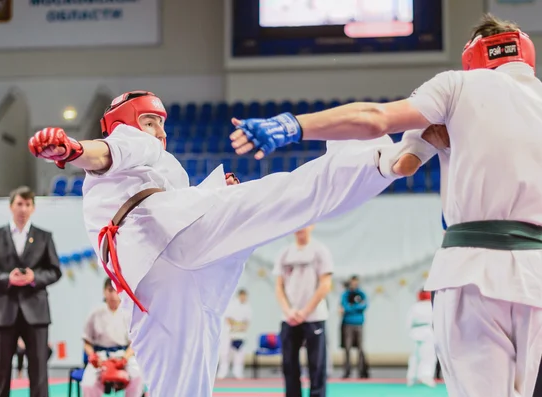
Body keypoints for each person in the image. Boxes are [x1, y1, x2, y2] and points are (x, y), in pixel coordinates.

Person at [230, 13, 542, 397]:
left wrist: (294, 124)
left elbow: (377, 122)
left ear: (474, 54)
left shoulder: (458, 86)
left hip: (472, 269)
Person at [27, 90, 406, 396]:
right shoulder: (129, 143)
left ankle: (373, 161)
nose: (158, 131)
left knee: (181, 390)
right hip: (159, 248)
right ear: (124, 124)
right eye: (149, 121)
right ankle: (373, 160)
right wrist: (72, 150)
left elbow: (180, 204)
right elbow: (105, 153)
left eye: (161, 123)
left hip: (160, 277)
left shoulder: (162, 167)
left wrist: (213, 194)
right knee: (283, 198)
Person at [0, 186, 62, 397]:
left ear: (33, 208)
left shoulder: (44, 237)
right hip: (4, 311)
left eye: (27, 204)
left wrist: (35, 278)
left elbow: (55, 271)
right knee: (1, 369)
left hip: (37, 313)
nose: (23, 208)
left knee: (39, 370)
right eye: (19, 204)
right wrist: (7, 278)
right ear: (10, 206)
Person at [274, 226, 333, 397]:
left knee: (317, 365)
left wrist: (305, 312)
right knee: (289, 366)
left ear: (312, 226)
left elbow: (325, 284)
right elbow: (279, 286)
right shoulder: (285, 253)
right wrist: (288, 311)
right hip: (289, 318)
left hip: (314, 317)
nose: (301, 228)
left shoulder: (320, 251)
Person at [81, 278, 145, 397]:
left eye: (116, 290)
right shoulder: (95, 313)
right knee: (88, 384)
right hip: (101, 357)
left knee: (137, 375)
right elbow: (87, 341)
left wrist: (125, 358)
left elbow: (133, 343)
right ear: (104, 292)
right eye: (110, 290)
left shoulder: (128, 312)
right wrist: (92, 356)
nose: (113, 295)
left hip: (122, 355)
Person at [217, 288, 253, 379]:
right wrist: (234, 327)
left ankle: (238, 372)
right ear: (239, 295)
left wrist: (242, 327)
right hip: (229, 332)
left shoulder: (247, 307)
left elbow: (247, 320)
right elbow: (228, 318)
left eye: (245, 296)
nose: (243, 298)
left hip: (240, 333)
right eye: (242, 296)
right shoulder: (232, 305)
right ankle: (223, 371)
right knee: (225, 353)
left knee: (239, 353)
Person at [406, 289, 436, 388]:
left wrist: (409, 332)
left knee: (415, 356)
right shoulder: (431, 305)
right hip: (428, 331)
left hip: (415, 332)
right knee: (428, 356)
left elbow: (408, 321)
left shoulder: (415, 306)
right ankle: (426, 376)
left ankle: (412, 377)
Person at [340, 275, 368, 379]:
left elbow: (364, 305)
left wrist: (352, 308)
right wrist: (354, 308)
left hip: (359, 323)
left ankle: (362, 371)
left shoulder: (362, 294)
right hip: (348, 324)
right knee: (347, 348)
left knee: (360, 348)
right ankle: (347, 371)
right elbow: (344, 306)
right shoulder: (346, 294)